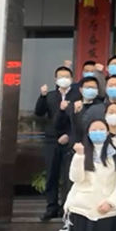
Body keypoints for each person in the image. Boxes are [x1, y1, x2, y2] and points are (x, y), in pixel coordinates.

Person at [36, 66, 81, 220]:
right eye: (60, 76)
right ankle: (51, 207)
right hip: (51, 140)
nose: (64, 79)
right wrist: (42, 96)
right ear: (55, 79)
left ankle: (65, 207)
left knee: (68, 175)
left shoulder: (77, 95)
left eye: (67, 76)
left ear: (72, 79)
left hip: (70, 139)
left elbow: (78, 118)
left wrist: (69, 135)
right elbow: (39, 113)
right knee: (51, 174)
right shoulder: (50, 96)